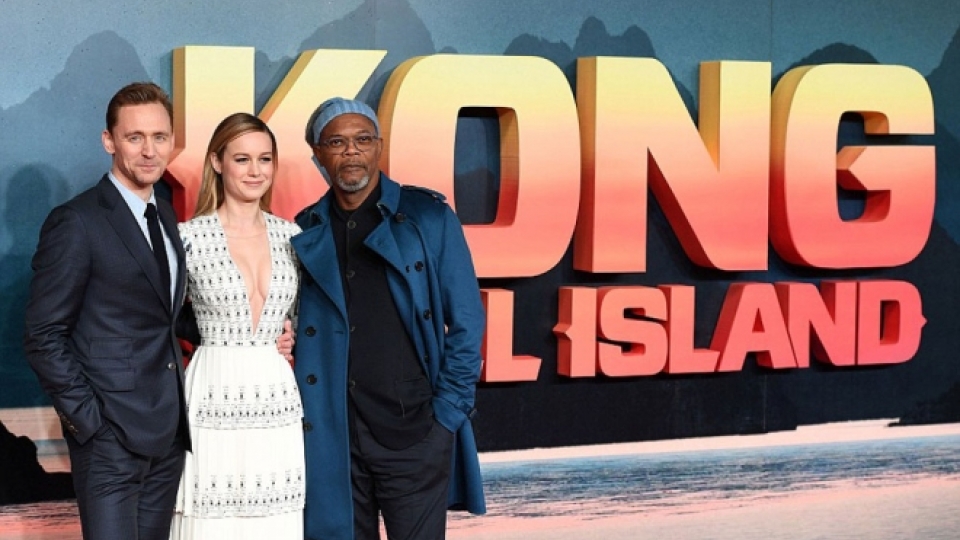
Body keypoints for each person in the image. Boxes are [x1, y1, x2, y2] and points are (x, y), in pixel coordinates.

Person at [291, 97, 486, 540]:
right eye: (336, 142)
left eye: (362, 139)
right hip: (335, 438)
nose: (351, 151)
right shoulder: (305, 229)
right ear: (318, 154)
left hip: (415, 432)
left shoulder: (428, 217)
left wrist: (446, 416)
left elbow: (467, 320)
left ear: (379, 146)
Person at [23, 82, 190, 540]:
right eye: (135, 137)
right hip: (109, 440)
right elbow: (43, 334)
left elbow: (163, 315)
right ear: (109, 141)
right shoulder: (77, 221)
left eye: (159, 137)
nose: (149, 150)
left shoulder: (166, 214)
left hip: (167, 433)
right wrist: (89, 422)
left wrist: (254, 333)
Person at [170, 112, 305, 539]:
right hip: (212, 389)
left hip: (275, 395)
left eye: (264, 159)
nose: (255, 171)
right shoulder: (188, 237)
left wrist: (292, 334)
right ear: (217, 162)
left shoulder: (293, 237)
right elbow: (160, 319)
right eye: (242, 159)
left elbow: (304, 318)